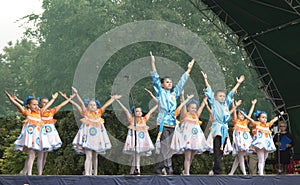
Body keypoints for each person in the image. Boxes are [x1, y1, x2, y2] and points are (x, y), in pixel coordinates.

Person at [150, 51, 194, 175]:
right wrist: (153, 63)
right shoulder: (161, 92)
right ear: (162, 85)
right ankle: (166, 168)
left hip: (172, 123)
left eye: (170, 82)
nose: (170, 83)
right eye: (167, 82)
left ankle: (162, 167)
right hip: (163, 122)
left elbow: (181, 83)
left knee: (169, 147)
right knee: (164, 146)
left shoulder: (173, 94)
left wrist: (188, 70)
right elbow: (155, 78)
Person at [60, 87, 121, 176]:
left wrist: (113, 99)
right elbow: (80, 103)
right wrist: (77, 94)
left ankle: (95, 173)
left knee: (95, 156)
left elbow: (106, 105)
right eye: (90, 105)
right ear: (87, 106)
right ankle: (87, 173)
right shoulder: (86, 112)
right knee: (88, 156)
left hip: (96, 138)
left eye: (94, 105)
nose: (92, 106)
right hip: (88, 137)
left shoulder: (99, 112)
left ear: (97, 106)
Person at [201, 71, 245, 175]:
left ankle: (214, 169)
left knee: (221, 151)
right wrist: (206, 80)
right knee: (217, 149)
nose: (222, 97)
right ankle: (218, 170)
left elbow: (231, 93)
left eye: (223, 96)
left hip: (224, 128)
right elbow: (209, 91)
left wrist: (238, 83)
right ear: (216, 97)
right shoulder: (214, 103)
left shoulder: (226, 104)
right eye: (220, 96)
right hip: (217, 128)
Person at [115, 94, 157, 175]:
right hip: (135, 139)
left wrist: (158, 104)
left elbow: (151, 111)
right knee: (136, 155)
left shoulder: (144, 119)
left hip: (142, 139)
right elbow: (126, 110)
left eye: (140, 111)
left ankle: (133, 170)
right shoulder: (132, 119)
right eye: (137, 111)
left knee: (137, 156)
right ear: (134, 112)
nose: (139, 112)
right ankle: (137, 170)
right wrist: (118, 101)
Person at [4, 91, 44, 175]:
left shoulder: (39, 112)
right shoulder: (27, 112)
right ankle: (29, 174)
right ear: (29, 106)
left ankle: (24, 172)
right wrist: (11, 99)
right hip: (29, 137)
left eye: (37, 104)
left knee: (32, 155)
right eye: (34, 104)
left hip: (36, 136)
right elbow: (19, 104)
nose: (36, 106)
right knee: (31, 154)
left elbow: (26, 103)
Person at [37, 92, 75, 175]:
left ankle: (41, 172)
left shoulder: (51, 111)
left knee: (45, 155)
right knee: (41, 154)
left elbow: (61, 105)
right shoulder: (40, 111)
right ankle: (39, 173)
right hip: (42, 133)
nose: (46, 104)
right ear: (40, 104)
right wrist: (53, 99)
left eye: (47, 102)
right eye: (44, 102)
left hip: (50, 134)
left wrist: (69, 99)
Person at [242, 110, 284, 175]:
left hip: (267, 144)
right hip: (260, 144)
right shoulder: (257, 124)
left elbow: (274, 120)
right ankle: (261, 174)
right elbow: (250, 119)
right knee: (261, 159)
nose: (264, 119)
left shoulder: (267, 125)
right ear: (258, 118)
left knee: (264, 159)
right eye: (263, 117)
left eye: (265, 117)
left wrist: (280, 114)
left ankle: (260, 171)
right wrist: (244, 115)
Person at [179, 95, 209, 175]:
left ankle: (185, 170)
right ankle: (187, 173)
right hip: (188, 139)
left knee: (192, 156)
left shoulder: (196, 115)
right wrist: (182, 96)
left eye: (195, 108)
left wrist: (206, 97)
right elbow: (183, 105)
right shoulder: (186, 114)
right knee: (188, 157)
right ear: (188, 108)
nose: (194, 109)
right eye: (192, 107)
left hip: (195, 139)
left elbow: (202, 106)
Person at [228, 99, 257, 175]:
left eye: (243, 114)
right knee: (240, 156)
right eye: (240, 114)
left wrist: (253, 104)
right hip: (239, 141)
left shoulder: (245, 122)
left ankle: (231, 173)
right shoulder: (236, 121)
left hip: (245, 141)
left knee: (238, 158)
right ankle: (244, 173)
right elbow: (234, 112)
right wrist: (233, 102)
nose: (241, 116)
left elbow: (250, 114)